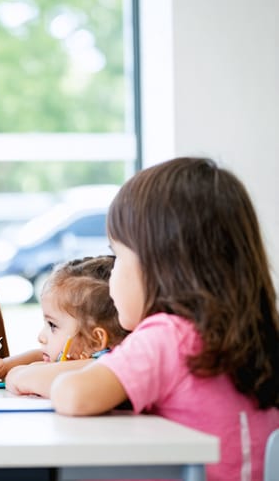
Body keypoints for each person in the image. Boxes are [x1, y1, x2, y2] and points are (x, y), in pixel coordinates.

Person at [49, 157, 279, 481]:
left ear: (162, 265)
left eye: (118, 256)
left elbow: (74, 396)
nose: (112, 274)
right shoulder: (261, 333)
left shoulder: (168, 335)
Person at [0, 255, 128, 390]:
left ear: (95, 340)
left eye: (53, 325)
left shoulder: (103, 364)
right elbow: (41, 355)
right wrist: (6, 366)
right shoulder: (79, 354)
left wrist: (21, 373)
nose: (41, 337)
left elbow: (29, 376)